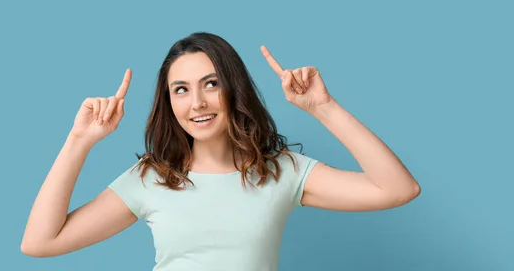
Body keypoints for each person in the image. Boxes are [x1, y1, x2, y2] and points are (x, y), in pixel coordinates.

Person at [21, 32, 421, 269]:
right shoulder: (153, 178)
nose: (197, 103)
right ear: (169, 101)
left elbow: (397, 189)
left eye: (211, 84)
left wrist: (324, 108)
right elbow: (40, 243)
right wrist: (79, 140)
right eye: (181, 89)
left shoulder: (279, 172)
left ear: (234, 89)